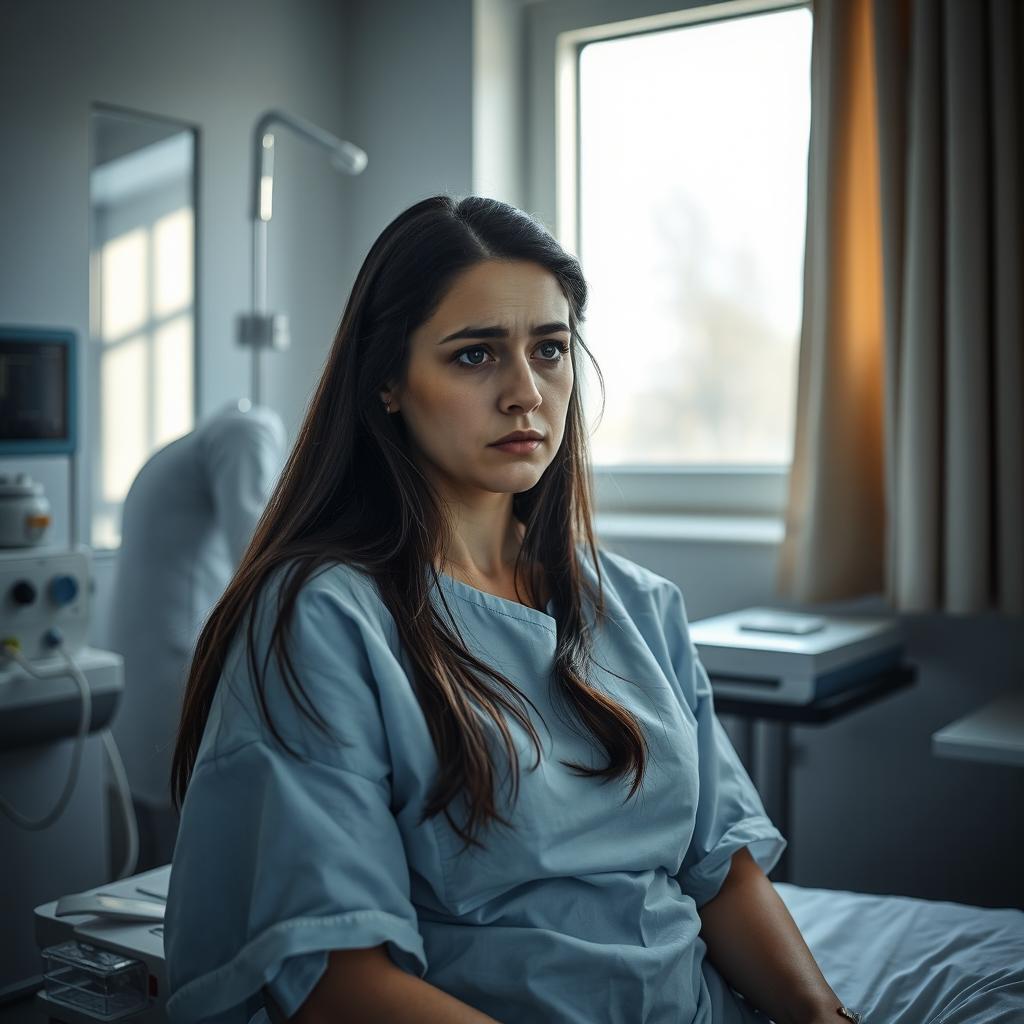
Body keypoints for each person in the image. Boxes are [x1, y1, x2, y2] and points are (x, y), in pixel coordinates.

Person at [163, 196, 856, 1024]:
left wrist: (826, 1020)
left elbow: (723, 871)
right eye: (475, 355)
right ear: (388, 380)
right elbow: (333, 976)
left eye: (551, 349)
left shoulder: (637, 606)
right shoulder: (325, 618)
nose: (526, 393)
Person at [107, 401, 286, 872]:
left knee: (145, 868)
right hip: (174, 681)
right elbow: (257, 558)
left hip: (135, 693)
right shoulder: (247, 429)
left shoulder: (182, 450)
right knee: (183, 869)